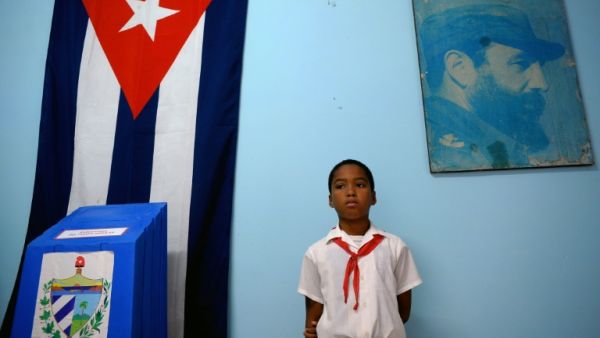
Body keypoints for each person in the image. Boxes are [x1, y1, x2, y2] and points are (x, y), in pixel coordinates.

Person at [418, 4, 566, 171]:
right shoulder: (451, 154)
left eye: (541, 66)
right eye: (520, 64)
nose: (542, 84)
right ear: (459, 68)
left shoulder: (487, 143)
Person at [298, 159, 422, 338]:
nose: (350, 192)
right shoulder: (316, 253)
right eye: (340, 186)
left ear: (373, 197)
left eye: (360, 184)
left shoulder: (395, 247)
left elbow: (402, 312)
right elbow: (313, 316)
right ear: (330, 200)